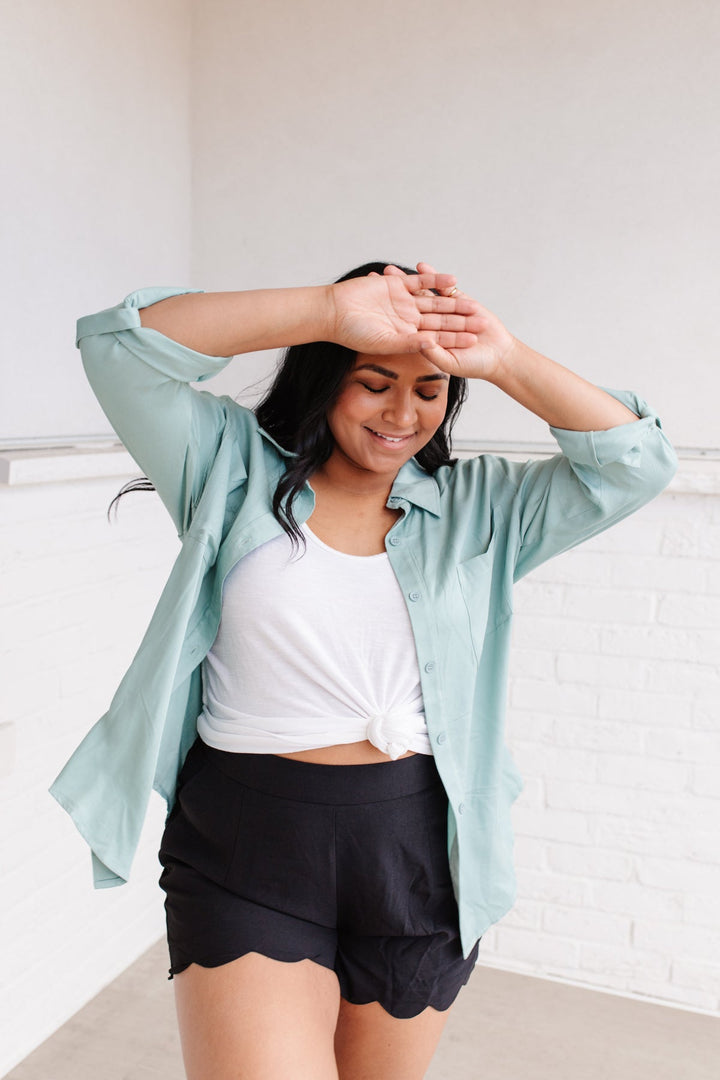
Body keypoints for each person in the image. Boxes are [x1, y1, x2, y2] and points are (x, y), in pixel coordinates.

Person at [50, 261, 677, 1080]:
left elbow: (638, 464)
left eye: (429, 391)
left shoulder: (482, 508)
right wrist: (327, 309)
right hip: (248, 843)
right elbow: (119, 348)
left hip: (417, 853)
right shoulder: (229, 468)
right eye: (374, 382)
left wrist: (502, 355)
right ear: (325, 375)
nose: (401, 413)